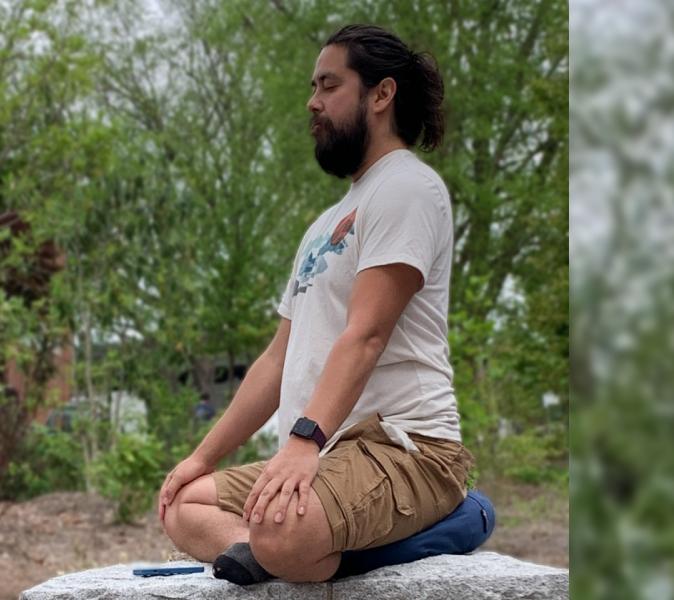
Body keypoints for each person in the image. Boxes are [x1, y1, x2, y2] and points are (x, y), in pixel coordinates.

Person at [158, 24, 478, 584]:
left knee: (280, 530)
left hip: (405, 448)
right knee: (184, 502)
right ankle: (277, 551)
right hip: (327, 456)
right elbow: (276, 359)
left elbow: (367, 335)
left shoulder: (408, 188)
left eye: (329, 85)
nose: (313, 101)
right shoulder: (324, 224)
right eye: (313, 87)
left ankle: (461, 518)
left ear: (381, 95)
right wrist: (202, 457)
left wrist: (305, 440)